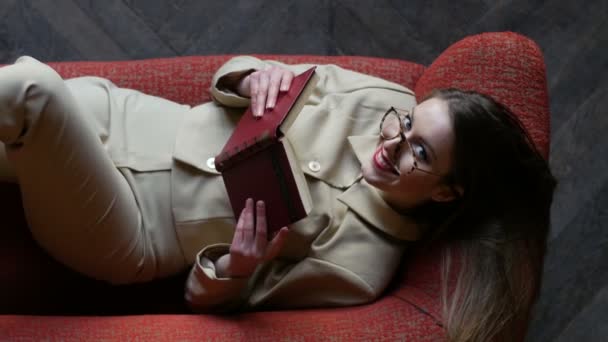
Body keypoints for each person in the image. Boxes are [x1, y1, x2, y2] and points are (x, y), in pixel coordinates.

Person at [0, 55, 555, 341]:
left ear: (446, 191)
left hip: (131, 227)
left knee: (31, 88)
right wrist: (249, 80)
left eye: (421, 154)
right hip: (126, 117)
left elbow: (209, 301)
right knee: (29, 90)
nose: (393, 143)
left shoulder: (362, 267)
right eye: (407, 123)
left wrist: (235, 268)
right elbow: (251, 76)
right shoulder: (381, 97)